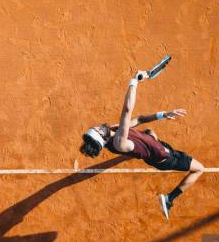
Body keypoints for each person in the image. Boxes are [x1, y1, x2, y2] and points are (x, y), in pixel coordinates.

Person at [80, 70, 204, 220]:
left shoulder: (113, 130)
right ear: (102, 138)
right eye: (98, 130)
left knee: (149, 131)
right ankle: (169, 199)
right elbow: (127, 110)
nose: (99, 126)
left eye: (96, 127)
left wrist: (163, 114)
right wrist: (134, 82)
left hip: (151, 145)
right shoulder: (119, 141)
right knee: (199, 169)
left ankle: (146, 147)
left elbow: (139, 119)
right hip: (165, 157)